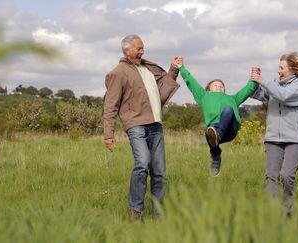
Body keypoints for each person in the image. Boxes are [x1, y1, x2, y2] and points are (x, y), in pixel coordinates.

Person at [103, 34, 181, 221]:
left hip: (156, 125)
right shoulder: (119, 73)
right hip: (136, 125)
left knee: (159, 171)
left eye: (142, 48)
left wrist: (174, 69)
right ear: (127, 50)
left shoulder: (148, 68)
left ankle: (158, 214)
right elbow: (110, 105)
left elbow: (163, 89)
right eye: (138, 48)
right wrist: (108, 134)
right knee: (142, 163)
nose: (142, 51)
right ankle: (135, 211)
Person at [175, 59, 258, 177]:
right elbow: (191, 82)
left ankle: (217, 135)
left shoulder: (232, 99)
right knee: (209, 133)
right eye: (216, 85)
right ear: (208, 89)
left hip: (230, 130)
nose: (219, 87)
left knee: (229, 109)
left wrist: (255, 77)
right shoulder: (204, 96)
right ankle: (216, 157)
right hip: (213, 130)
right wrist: (181, 67)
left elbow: (247, 90)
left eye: (221, 86)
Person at [250, 52, 298, 216]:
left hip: (296, 137)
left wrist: (264, 81)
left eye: (281, 68)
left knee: (287, 175)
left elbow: (284, 96)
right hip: (273, 137)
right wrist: (254, 80)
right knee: (271, 176)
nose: (278, 71)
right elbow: (259, 95)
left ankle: (287, 210)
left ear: (293, 69)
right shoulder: (274, 84)